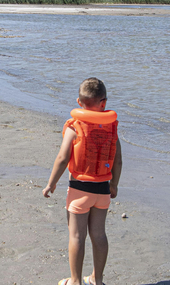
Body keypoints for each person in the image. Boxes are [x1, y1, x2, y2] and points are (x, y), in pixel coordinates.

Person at [42, 78, 123, 285]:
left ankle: (76, 281)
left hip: (79, 189)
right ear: (103, 103)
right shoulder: (111, 127)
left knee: (76, 236)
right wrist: (114, 185)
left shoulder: (74, 126)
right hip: (102, 190)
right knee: (99, 235)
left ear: (79, 102)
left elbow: (62, 158)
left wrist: (51, 183)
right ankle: (97, 280)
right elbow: (117, 160)